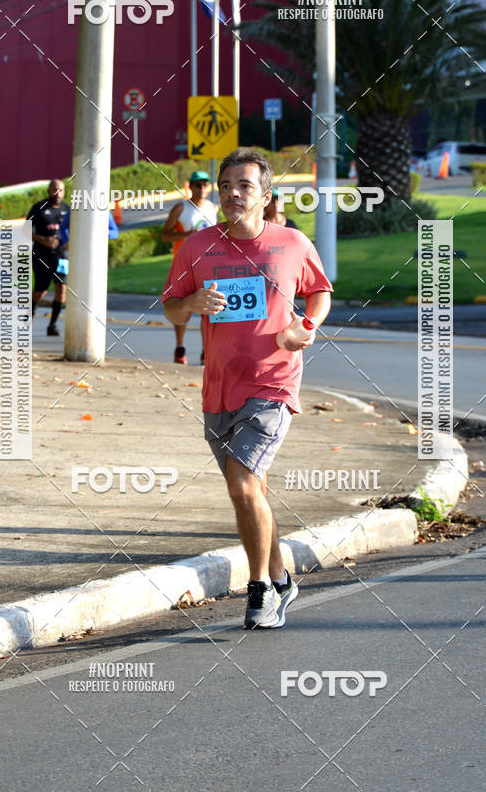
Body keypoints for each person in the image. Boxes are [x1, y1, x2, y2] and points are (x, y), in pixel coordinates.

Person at [162, 148, 332, 630]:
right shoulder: (196, 247)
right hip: (219, 389)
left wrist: (308, 324)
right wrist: (192, 302)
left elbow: (318, 291)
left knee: (241, 483)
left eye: (244, 186)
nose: (233, 194)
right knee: (249, 491)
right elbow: (171, 309)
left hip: (273, 384)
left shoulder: (292, 244)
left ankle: (259, 592)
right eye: (226, 186)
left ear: (266, 195)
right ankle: (282, 579)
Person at [161, 170, 219, 365]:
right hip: (183, 265)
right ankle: (180, 347)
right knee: (181, 307)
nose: (201, 188)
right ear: (191, 187)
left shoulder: (214, 208)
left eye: (205, 184)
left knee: (206, 308)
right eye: (197, 184)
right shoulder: (181, 208)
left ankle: (206, 350)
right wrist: (187, 235)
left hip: (207, 265)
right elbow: (165, 235)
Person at [26, 179, 69, 336]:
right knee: (41, 290)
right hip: (42, 255)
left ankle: (53, 325)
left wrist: (67, 242)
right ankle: (29, 314)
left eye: (61, 190)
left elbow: (74, 231)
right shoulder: (39, 208)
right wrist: (44, 240)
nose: (58, 194)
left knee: (61, 289)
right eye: (55, 190)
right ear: (49, 191)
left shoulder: (67, 210)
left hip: (62, 256)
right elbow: (25, 231)